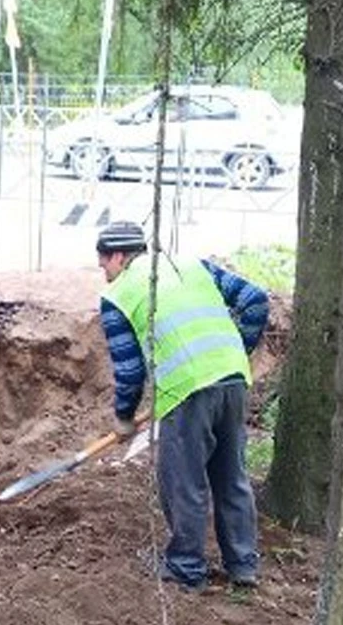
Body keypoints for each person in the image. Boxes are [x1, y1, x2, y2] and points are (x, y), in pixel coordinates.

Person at [95, 220, 268, 590]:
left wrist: (124, 417)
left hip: (187, 392)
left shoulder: (118, 296)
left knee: (183, 479)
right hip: (233, 379)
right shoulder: (191, 265)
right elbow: (255, 300)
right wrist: (236, 352)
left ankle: (186, 566)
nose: (105, 275)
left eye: (104, 265)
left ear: (119, 256)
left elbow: (129, 371)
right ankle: (243, 566)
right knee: (231, 476)